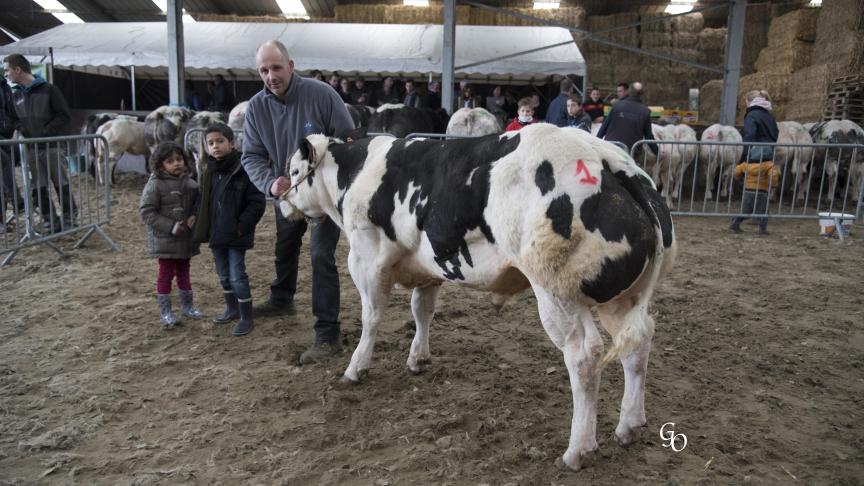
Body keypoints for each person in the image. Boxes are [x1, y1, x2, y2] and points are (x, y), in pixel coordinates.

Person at [241, 40, 354, 363]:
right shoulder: (256, 108)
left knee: (321, 256)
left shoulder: (322, 95)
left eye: (276, 67)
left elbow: (349, 141)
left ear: (291, 66)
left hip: (322, 195)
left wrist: (326, 180)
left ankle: (327, 333)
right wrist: (269, 182)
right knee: (285, 244)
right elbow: (251, 156)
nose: (270, 75)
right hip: (286, 193)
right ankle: (282, 298)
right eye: (264, 70)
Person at [193, 123, 266, 336]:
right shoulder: (208, 171)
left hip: (235, 234)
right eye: (211, 143)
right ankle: (231, 308)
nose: (215, 147)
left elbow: (256, 203)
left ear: (231, 143)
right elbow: (203, 200)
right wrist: (196, 220)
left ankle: (246, 316)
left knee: (237, 275)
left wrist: (241, 227)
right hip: (216, 233)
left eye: (220, 141)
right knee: (223, 274)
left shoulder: (243, 169)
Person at [3, 53, 77, 233]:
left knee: (61, 182)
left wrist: (44, 132)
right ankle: (50, 219)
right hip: (31, 148)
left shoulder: (49, 89)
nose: (6, 74)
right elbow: (13, 118)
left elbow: (63, 115)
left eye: (7, 70)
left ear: (18, 70)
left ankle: (69, 217)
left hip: (51, 146)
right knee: (39, 185)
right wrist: (22, 128)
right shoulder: (16, 94)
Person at [139, 141, 204, 327]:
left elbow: (198, 204)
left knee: (184, 271)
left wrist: (194, 216)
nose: (176, 163)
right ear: (161, 165)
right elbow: (147, 212)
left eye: (179, 159)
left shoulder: (191, 183)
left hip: (185, 239)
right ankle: (166, 312)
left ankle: (188, 307)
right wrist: (170, 226)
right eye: (170, 161)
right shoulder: (155, 185)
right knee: (166, 274)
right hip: (165, 240)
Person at [730, 89, 780, 236]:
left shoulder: (751, 115)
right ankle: (761, 223)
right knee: (763, 192)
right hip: (768, 153)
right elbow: (775, 133)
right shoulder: (769, 116)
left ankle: (739, 220)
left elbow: (750, 134)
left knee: (750, 190)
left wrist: (745, 152)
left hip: (755, 154)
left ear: (749, 101)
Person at [596, 81, 656, 154]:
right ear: (642, 94)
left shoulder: (617, 106)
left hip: (611, 148)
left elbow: (604, 128)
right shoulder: (645, 111)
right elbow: (648, 136)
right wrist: (657, 152)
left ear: (629, 92)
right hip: (631, 152)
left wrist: (595, 145)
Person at [1, 75, 25, 230]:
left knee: (4, 174)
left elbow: (11, 110)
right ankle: (17, 201)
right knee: (4, 163)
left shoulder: (5, 85)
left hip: (6, 136)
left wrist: (16, 125)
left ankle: (2, 219)